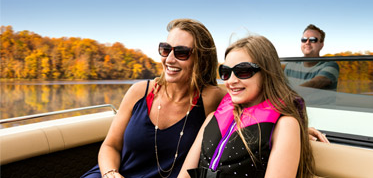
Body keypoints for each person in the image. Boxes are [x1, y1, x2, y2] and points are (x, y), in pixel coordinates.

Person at [81, 18, 226, 178]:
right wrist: (110, 173)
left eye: (181, 52)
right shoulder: (139, 91)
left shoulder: (211, 98)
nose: (169, 59)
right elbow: (110, 146)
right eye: (165, 49)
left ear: (202, 59)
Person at [179, 36, 316, 177]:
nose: (231, 81)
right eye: (225, 72)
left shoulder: (285, 126)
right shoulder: (211, 119)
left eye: (243, 71)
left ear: (267, 73)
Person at [284, 24, 339, 90]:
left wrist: (289, 95)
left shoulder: (331, 65)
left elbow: (316, 83)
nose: (307, 42)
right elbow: (282, 85)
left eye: (313, 39)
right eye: (304, 39)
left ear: (321, 45)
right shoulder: (290, 65)